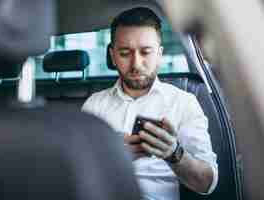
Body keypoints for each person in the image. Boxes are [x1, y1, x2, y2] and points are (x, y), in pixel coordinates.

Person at [82, 7, 218, 200]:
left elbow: (206, 184)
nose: (136, 64)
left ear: (159, 54)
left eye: (145, 52)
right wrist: (111, 157)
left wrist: (174, 153)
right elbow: (75, 171)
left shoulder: (183, 102)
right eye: (124, 53)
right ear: (112, 55)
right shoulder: (94, 104)